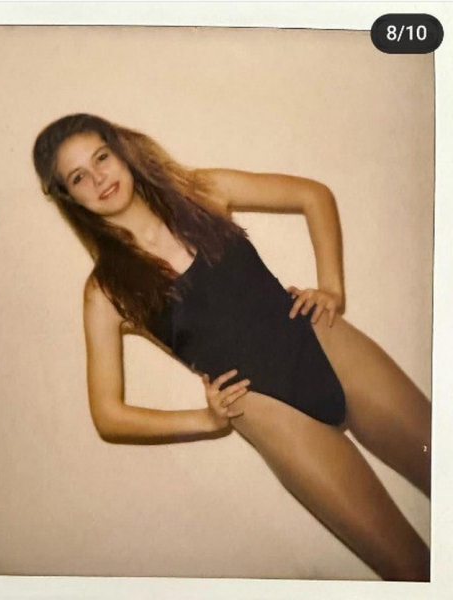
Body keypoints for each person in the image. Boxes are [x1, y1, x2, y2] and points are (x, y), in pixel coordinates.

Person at [32, 113, 431, 581]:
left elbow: (313, 195)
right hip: (264, 410)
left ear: (121, 152)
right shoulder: (106, 291)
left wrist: (331, 288)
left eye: (102, 157)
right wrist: (204, 420)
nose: (99, 177)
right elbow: (108, 415)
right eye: (79, 177)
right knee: (409, 569)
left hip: (322, 342)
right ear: (69, 196)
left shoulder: (201, 191)